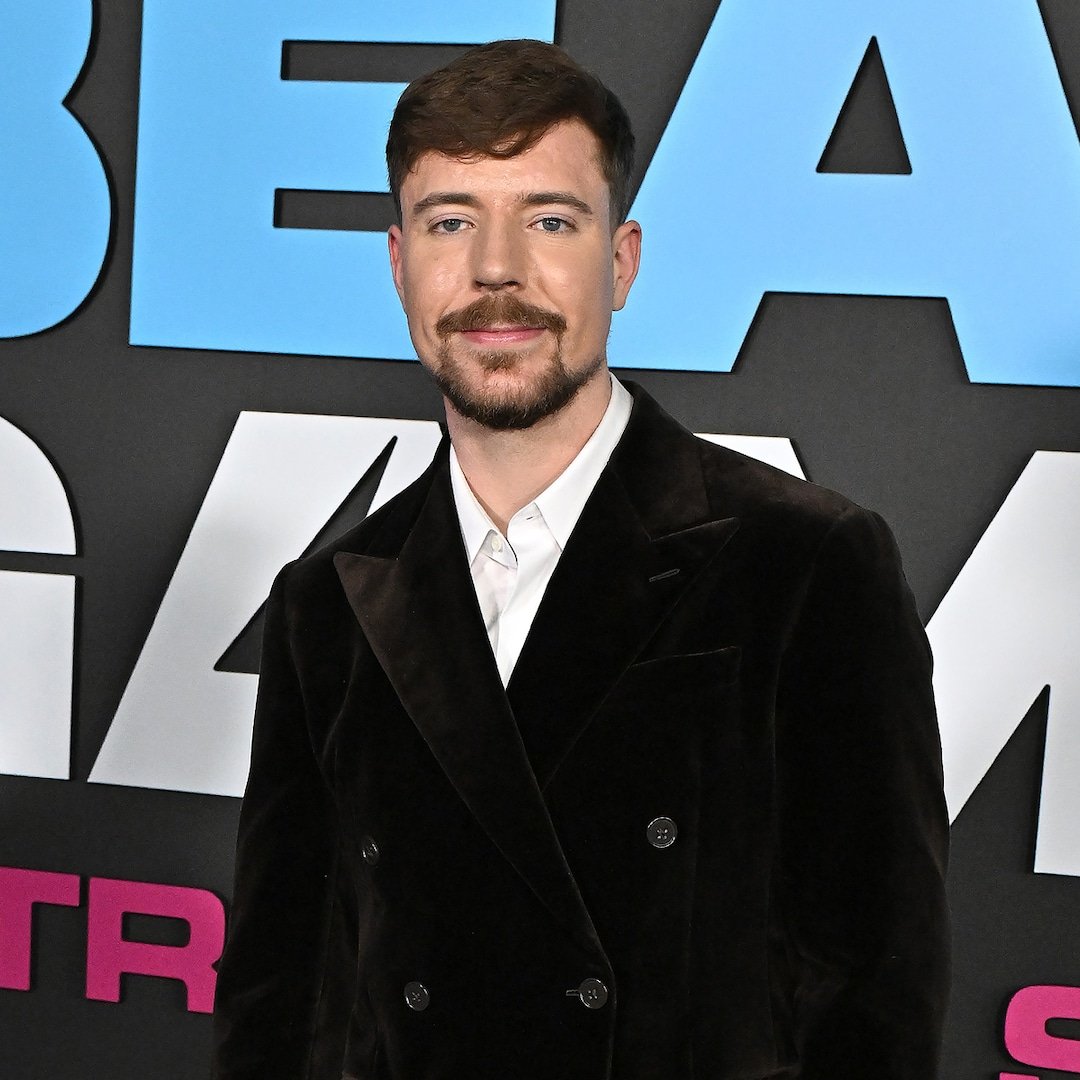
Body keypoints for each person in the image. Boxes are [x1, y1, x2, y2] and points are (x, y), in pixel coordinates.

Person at [211, 38, 949, 1080]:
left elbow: (878, 991)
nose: (496, 270)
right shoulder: (326, 603)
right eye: (452, 221)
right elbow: (280, 1000)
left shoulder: (806, 564)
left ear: (622, 261)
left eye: (549, 221)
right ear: (399, 264)